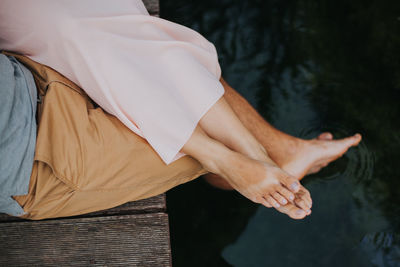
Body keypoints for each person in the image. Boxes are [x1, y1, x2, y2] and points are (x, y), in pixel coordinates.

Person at [0, 0, 361, 220]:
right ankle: (236, 161)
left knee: (87, 24)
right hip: (34, 155)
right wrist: (221, 156)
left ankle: (263, 155)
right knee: (186, 116)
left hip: (22, 80)